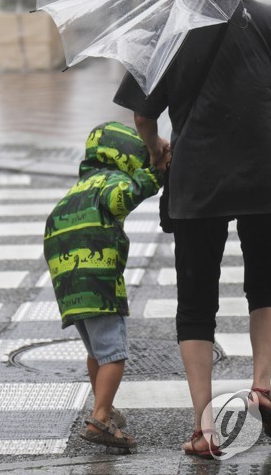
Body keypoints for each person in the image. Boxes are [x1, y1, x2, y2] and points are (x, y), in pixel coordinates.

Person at [114, 0, 271, 456]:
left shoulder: (165, 27)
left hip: (199, 176)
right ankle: (261, 388)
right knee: (267, 282)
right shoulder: (269, 19)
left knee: (196, 300)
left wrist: (155, 149)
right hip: (267, 170)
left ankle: (204, 427)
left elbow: (144, 115)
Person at [44, 121, 164, 451]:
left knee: (96, 351)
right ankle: (100, 418)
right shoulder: (113, 180)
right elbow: (120, 199)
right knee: (114, 353)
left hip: (67, 283)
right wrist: (156, 176)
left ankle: (105, 405)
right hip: (98, 279)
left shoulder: (78, 188)